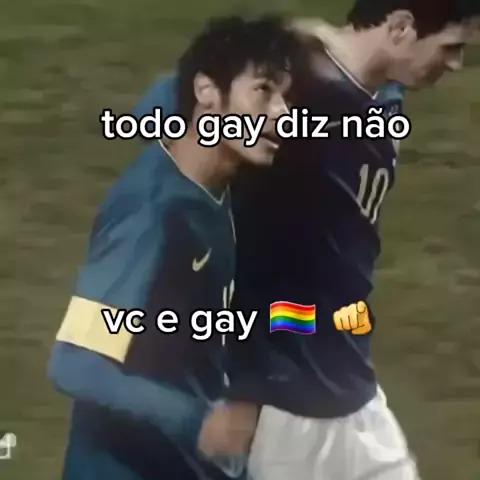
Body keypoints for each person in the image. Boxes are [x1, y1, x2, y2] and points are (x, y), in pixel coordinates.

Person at [47, 15, 298, 480]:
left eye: (286, 96)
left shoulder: (225, 182)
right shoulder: (151, 214)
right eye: (264, 91)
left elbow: (170, 92)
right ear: (206, 93)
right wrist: (198, 421)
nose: (283, 113)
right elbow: (75, 364)